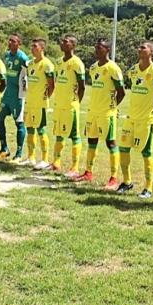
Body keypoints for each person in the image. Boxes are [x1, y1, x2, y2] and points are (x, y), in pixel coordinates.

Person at [116, 41, 153, 199]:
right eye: (138, 47)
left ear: (151, 52)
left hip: (147, 120)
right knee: (123, 149)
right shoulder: (133, 70)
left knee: (146, 153)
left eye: (143, 47)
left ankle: (148, 188)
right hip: (131, 118)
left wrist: (150, 108)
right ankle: (127, 182)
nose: (139, 49)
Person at [73, 38, 125, 190]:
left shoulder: (113, 68)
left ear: (107, 50)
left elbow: (121, 92)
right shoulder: (94, 67)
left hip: (106, 113)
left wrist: (113, 107)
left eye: (100, 48)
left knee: (111, 143)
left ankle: (114, 178)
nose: (96, 51)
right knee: (92, 142)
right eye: (96, 48)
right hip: (93, 111)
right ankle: (88, 173)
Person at [46, 34, 85, 177]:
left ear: (73, 45)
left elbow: (82, 87)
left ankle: (74, 168)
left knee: (74, 136)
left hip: (70, 106)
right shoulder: (59, 61)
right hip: (59, 105)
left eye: (65, 42)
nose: (62, 43)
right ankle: (56, 163)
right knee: (58, 134)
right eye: (61, 41)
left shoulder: (77, 63)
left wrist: (75, 102)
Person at [0, 33, 30, 161]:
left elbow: (29, 75)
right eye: (9, 40)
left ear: (19, 43)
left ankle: (19, 154)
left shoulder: (23, 58)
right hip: (7, 94)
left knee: (19, 124)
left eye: (13, 41)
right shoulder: (8, 55)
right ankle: (4, 149)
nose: (10, 43)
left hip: (18, 96)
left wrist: (25, 93)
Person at [22, 39, 55, 168]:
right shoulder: (30, 64)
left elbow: (52, 85)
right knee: (29, 129)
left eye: (35, 46)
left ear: (42, 48)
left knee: (41, 130)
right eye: (32, 45)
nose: (32, 48)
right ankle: (31, 157)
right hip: (29, 102)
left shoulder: (47, 64)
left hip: (39, 104)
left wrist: (45, 98)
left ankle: (45, 159)